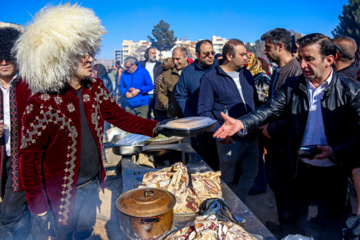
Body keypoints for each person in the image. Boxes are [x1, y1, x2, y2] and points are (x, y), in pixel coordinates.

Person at [13, 4, 163, 239]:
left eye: (90, 52)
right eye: (82, 54)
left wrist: (158, 128)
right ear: (60, 57)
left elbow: (120, 117)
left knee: (85, 232)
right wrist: (38, 207)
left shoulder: (95, 87)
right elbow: (29, 159)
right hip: (59, 196)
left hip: (92, 185)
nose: (91, 58)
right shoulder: (42, 101)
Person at [214, 33, 360, 240]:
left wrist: (336, 150)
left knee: (332, 226)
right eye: (300, 58)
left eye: (309, 59)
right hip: (298, 170)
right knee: (294, 224)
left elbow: (358, 138)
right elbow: (269, 110)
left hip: (333, 174)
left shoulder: (351, 92)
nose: (302, 65)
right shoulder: (293, 86)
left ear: (329, 60)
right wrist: (241, 123)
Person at [198, 39, 259, 203]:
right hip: (229, 140)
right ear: (229, 56)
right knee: (227, 177)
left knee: (251, 173)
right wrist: (220, 134)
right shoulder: (210, 78)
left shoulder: (246, 74)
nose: (246, 57)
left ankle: (240, 202)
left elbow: (254, 101)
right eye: (242, 54)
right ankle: (226, 206)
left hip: (251, 136)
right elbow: (204, 112)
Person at [260, 28, 302, 235]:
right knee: (279, 192)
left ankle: (293, 233)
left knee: (291, 196)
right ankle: (285, 231)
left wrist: (272, 128)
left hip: (289, 149)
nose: (264, 52)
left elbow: (298, 115)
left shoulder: (296, 71)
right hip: (275, 148)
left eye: (268, 47)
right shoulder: (278, 70)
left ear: (280, 46)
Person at [0, 27, 32, 240]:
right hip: (2, 159)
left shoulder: (31, 85)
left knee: (9, 212)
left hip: (23, 160)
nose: (3, 62)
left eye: (8, 57)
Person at [174, 40, 219, 170]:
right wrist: (191, 117)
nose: (210, 56)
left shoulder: (219, 67)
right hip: (199, 125)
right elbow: (181, 96)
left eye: (212, 53)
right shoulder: (188, 72)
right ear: (197, 55)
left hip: (219, 123)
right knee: (203, 161)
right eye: (206, 54)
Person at [246, 52, 271, 195]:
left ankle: (261, 184)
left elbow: (266, 101)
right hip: (254, 121)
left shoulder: (261, 78)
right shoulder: (248, 76)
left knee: (259, 153)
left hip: (261, 121)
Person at [157, 47, 188, 119]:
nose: (175, 62)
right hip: (174, 116)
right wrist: (169, 106)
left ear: (185, 57)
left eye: (178, 59)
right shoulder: (167, 75)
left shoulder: (194, 72)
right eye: (173, 59)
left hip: (192, 115)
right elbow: (161, 93)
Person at [140, 47, 163, 119]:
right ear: (147, 54)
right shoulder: (141, 65)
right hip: (145, 94)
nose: (154, 55)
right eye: (152, 53)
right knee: (146, 115)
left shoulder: (160, 65)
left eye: (155, 53)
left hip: (156, 94)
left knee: (158, 115)